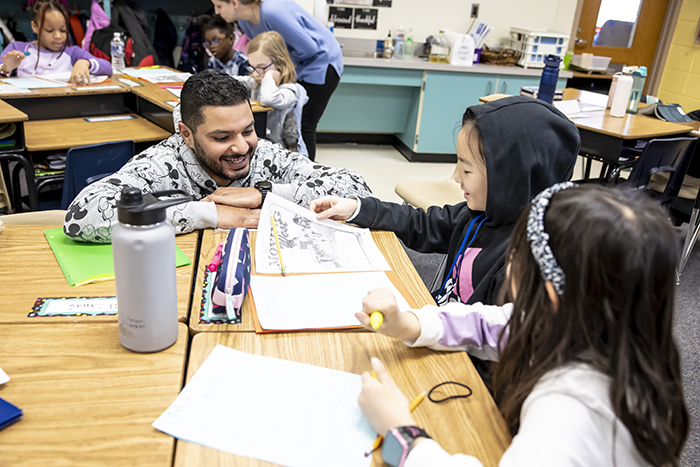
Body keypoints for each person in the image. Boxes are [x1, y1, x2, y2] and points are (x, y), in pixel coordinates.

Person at [352, 184, 689, 466]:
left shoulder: (570, 409)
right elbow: (489, 324)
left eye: (516, 253)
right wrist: (408, 322)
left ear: (550, 293)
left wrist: (402, 432)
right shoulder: (603, 331)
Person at [311, 97, 580, 310]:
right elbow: (421, 223)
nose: (458, 180)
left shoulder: (522, 260)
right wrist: (357, 208)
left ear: (509, 178)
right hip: (434, 318)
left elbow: (483, 338)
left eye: (468, 170)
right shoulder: (477, 213)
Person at [63, 70, 371, 243]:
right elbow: (81, 216)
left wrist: (266, 194)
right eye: (222, 138)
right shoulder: (162, 164)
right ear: (187, 134)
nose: (240, 147)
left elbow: (358, 190)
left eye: (247, 130)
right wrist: (208, 215)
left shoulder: (264, 154)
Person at [212, 0, 343, 161]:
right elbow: (264, 51)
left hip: (320, 65)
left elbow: (310, 48)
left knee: (303, 126)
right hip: (290, 67)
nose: (216, 12)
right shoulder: (243, 20)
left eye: (219, 6)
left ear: (234, 3)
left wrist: (274, 71)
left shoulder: (271, 12)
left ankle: (306, 175)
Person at [0, 0, 112, 84]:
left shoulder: (72, 53)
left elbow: (108, 67)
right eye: (49, 30)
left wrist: (86, 62)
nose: (58, 36)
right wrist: (5, 68)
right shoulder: (18, 49)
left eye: (63, 30)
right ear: (35, 26)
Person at [236, 31, 307, 154]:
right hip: (260, 149)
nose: (255, 73)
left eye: (261, 67)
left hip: (282, 154)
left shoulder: (289, 91)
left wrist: (269, 77)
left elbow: (270, 99)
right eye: (252, 67)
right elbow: (232, 81)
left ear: (280, 63)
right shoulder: (256, 82)